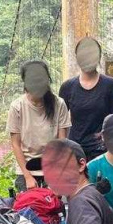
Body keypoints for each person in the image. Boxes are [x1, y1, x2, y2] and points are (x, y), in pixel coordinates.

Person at [8, 60, 71, 192]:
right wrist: (28, 176)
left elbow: (62, 141)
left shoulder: (59, 104)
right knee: (27, 210)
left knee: (56, 208)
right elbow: (16, 144)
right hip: (27, 169)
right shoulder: (17, 107)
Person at [59, 37, 113, 161]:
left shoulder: (110, 85)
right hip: (75, 151)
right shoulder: (67, 87)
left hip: (101, 152)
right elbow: (60, 123)